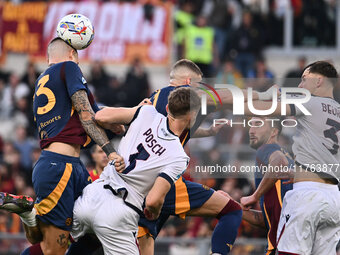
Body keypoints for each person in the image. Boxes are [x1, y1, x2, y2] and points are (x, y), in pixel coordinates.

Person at [138, 59, 277, 255]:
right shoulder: (186, 95)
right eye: (198, 84)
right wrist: (264, 94)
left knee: (141, 241)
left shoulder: (153, 99)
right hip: (163, 181)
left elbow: (174, 128)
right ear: (188, 82)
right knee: (232, 210)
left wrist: (208, 131)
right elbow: (228, 97)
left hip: (139, 180)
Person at [0, 37, 125, 255]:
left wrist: (122, 121)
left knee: (100, 225)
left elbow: (95, 115)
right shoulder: (69, 67)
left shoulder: (43, 79)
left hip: (65, 166)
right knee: (53, 249)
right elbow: (87, 116)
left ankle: (30, 215)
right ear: (71, 54)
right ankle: (30, 215)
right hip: (61, 168)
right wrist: (111, 151)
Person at [70, 87, 200, 254]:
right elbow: (153, 200)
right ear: (192, 117)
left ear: (167, 108)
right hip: (119, 213)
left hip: (91, 196)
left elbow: (100, 116)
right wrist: (153, 212)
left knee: (52, 247)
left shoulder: (146, 112)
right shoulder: (179, 157)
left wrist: (124, 126)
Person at [240, 61, 340, 254]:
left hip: (308, 194)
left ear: (319, 81)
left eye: (304, 79)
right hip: (334, 198)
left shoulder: (309, 102)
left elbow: (262, 109)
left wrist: (263, 97)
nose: (300, 85)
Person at [240, 117, 294, 255]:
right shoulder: (286, 155)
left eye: (258, 125)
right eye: (250, 125)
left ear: (274, 131)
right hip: (291, 241)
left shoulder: (266, 149)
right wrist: (232, 207)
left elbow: (279, 162)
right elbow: (270, 219)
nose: (251, 130)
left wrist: (254, 196)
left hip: (282, 243)